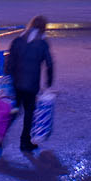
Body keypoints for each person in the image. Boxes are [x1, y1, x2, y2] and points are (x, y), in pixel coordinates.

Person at [6, 14, 56, 154]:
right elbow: (50, 64)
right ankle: (25, 142)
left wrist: (8, 79)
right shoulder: (43, 43)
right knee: (29, 113)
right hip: (31, 85)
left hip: (17, 83)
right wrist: (49, 82)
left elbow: (9, 62)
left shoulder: (18, 40)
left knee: (13, 112)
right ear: (43, 28)